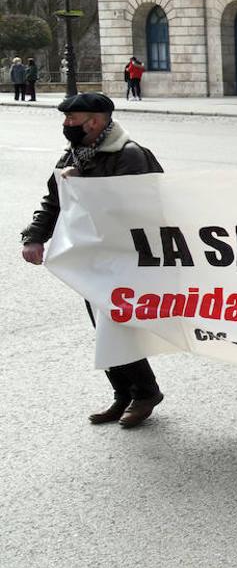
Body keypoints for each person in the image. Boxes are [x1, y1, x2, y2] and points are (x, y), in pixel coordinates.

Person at [21, 92, 167, 428]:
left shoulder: (130, 155)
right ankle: (123, 393)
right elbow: (53, 200)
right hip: (91, 256)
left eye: (72, 119)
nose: (66, 125)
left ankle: (145, 392)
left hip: (127, 257)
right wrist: (34, 236)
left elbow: (133, 208)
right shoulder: (74, 154)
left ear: (96, 121)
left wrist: (83, 182)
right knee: (103, 326)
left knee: (117, 324)